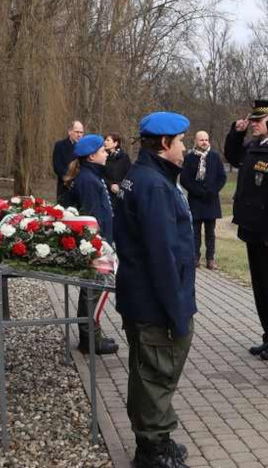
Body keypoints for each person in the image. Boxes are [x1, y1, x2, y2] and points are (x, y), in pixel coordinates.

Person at [113, 112, 195, 468]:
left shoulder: (141, 176)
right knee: (157, 373)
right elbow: (162, 255)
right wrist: (176, 313)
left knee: (148, 371)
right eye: (180, 141)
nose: (185, 147)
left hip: (141, 296)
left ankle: (158, 437)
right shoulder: (155, 186)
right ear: (164, 145)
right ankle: (150, 450)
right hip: (155, 302)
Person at [223, 100, 268, 360]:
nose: (253, 124)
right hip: (253, 228)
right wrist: (236, 133)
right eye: (252, 120)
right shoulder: (255, 147)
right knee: (261, 287)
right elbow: (232, 156)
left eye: (258, 121)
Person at [68, 133, 119, 355]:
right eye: (102, 150)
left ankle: (92, 335)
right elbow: (91, 216)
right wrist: (101, 243)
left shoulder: (93, 175)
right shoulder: (88, 180)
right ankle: (90, 340)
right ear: (91, 156)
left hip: (101, 242)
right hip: (97, 244)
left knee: (94, 289)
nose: (106, 153)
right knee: (93, 289)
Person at [180, 131, 227, 270]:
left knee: (210, 233)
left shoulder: (214, 157)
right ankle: (195, 257)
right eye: (201, 140)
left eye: (206, 139)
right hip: (195, 200)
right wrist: (196, 191)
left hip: (211, 200)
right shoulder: (189, 158)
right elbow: (184, 179)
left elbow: (222, 177)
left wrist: (213, 190)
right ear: (196, 141)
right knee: (195, 232)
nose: (204, 142)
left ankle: (210, 259)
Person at [52, 121, 84, 201]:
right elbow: (57, 166)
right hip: (64, 186)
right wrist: (68, 179)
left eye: (81, 132)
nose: (79, 135)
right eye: (77, 132)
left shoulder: (85, 148)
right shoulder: (60, 145)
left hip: (81, 187)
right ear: (70, 132)